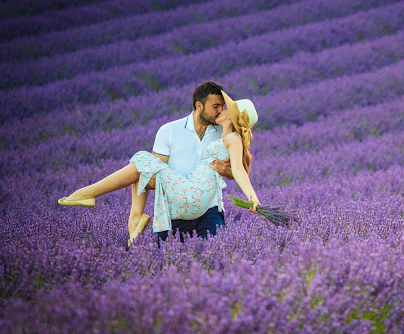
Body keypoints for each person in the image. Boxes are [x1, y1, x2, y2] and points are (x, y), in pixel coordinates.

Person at [58, 87, 260, 246]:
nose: (221, 109)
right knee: (144, 167)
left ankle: (97, 198)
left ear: (232, 118)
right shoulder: (224, 135)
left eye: (226, 109)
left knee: (142, 159)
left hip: (193, 193)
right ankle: (132, 219)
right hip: (192, 191)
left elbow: (238, 170)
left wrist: (252, 196)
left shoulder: (233, 139)